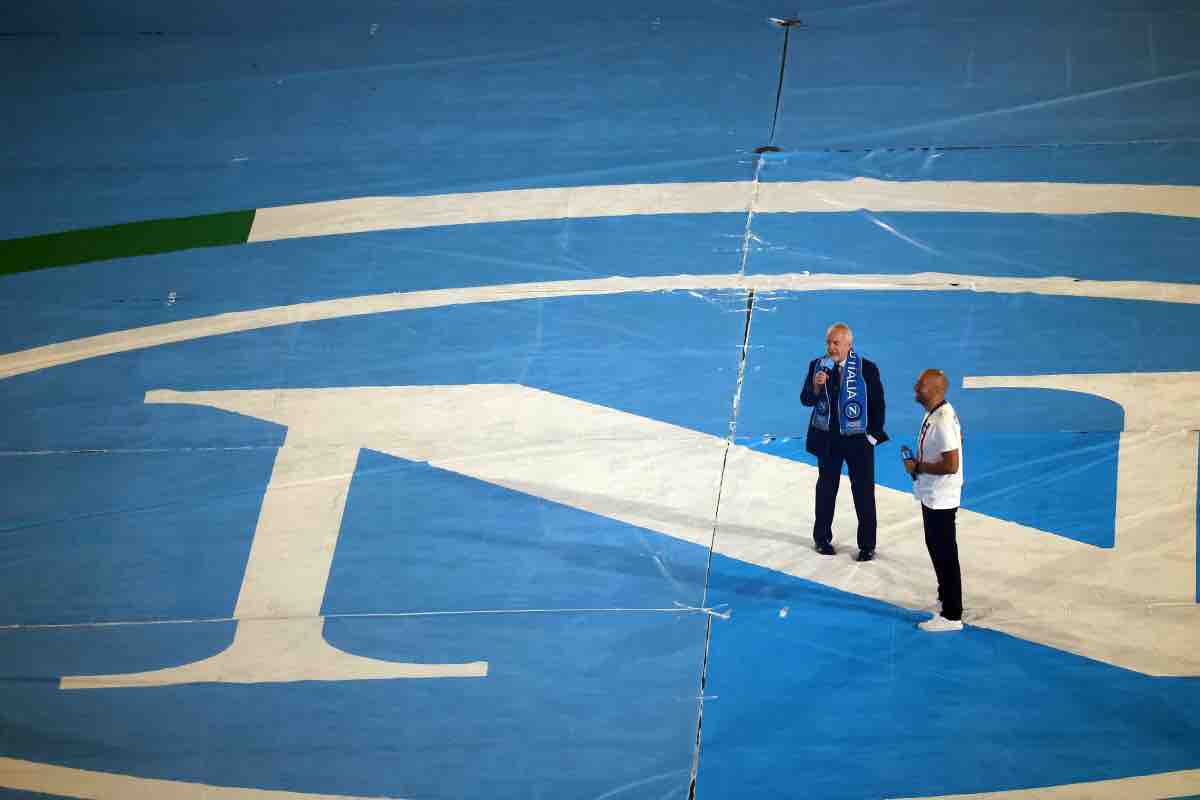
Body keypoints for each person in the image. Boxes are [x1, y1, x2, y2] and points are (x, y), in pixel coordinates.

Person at [799, 322, 888, 561]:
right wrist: (816, 386)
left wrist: (872, 436)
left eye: (836, 343)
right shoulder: (817, 366)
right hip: (828, 440)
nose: (831, 347)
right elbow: (806, 400)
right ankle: (821, 538)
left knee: (863, 492)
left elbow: (878, 405)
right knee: (826, 490)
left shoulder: (867, 369)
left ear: (849, 345)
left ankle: (867, 545)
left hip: (859, 442)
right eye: (828, 342)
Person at [902, 369, 965, 632]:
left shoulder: (941, 420)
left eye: (921, 384)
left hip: (941, 495)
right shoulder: (939, 412)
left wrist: (918, 466)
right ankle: (945, 597)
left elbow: (951, 464)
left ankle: (952, 615)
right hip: (934, 494)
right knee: (937, 546)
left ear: (936, 390)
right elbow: (958, 441)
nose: (916, 386)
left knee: (945, 552)